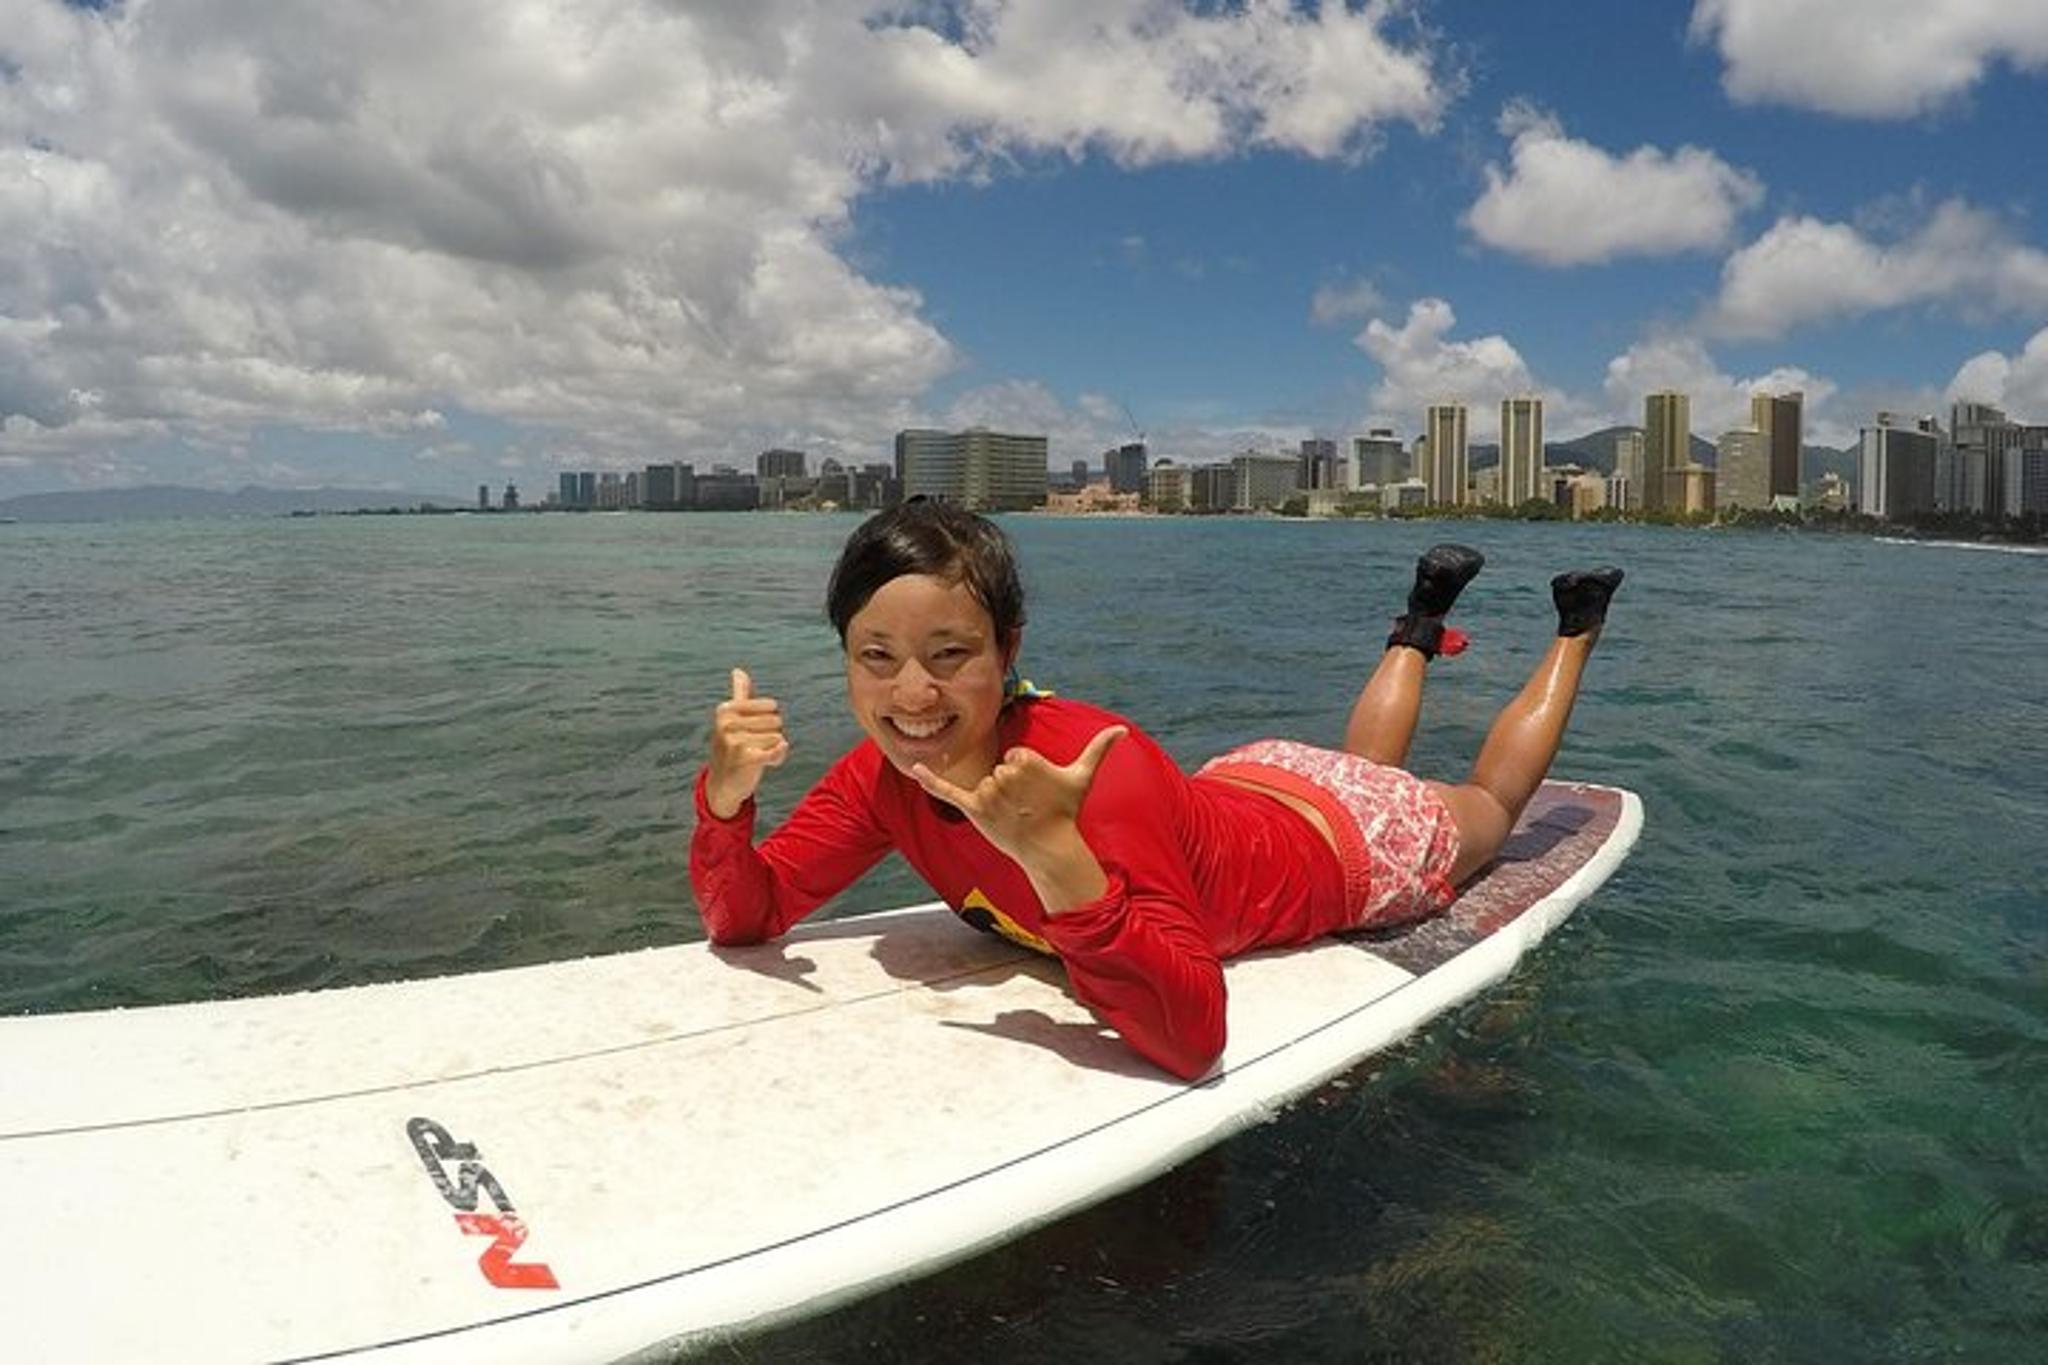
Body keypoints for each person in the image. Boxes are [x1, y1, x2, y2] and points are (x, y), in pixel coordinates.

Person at [690, 500, 1622, 1080]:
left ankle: (1576, 624)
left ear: (1009, 650)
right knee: (1368, 761)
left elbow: (1192, 1037)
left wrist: (1058, 859)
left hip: (1342, 846)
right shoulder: (882, 776)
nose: (913, 696)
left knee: (1492, 811)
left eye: (950, 655)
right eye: (876, 659)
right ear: (846, 660)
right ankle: (1422, 616)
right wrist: (726, 802)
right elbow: (749, 917)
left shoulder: (1094, 768)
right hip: (1244, 783)